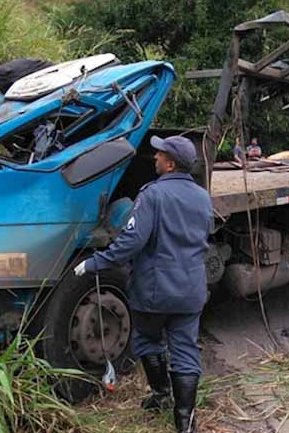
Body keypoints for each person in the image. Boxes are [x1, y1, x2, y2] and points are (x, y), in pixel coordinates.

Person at [74, 135, 213, 433]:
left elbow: (132, 242)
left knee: (147, 340)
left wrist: (95, 263)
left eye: (160, 155)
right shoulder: (203, 196)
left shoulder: (152, 195)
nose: (155, 158)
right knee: (186, 349)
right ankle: (185, 421)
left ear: (170, 164)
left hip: (155, 290)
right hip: (191, 289)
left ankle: (161, 396)